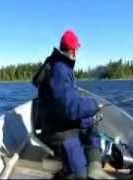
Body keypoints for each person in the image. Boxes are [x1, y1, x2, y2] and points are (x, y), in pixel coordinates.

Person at [32, 30, 113, 179]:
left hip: (63, 119)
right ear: (73, 50)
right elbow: (70, 108)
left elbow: (68, 101)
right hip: (56, 129)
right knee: (79, 174)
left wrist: (91, 110)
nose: (78, 52)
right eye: (77, 49)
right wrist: (94, 105)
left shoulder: (62, 65)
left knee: (92, 123)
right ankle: (72, 171)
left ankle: (95, 167)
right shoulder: (59, 70)